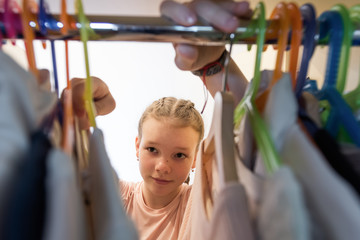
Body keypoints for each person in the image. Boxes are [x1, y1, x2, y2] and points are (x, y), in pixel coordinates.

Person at [69, 1, 251, 239]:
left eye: (179, 155)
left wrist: (213, 64)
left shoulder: (200, 205)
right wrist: (74, 113)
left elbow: (249, 129)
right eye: (152, 149)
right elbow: (71, 170)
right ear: (137, 146)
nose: (163, 166)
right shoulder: (115, 198)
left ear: (196, 156)